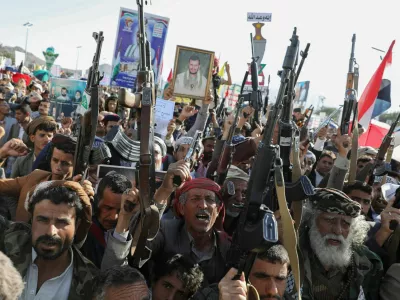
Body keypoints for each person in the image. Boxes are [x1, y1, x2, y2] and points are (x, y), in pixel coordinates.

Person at [102, 163, 230, 285]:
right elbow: (138, 248)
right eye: (195, 199)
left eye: (209, 199)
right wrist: (164, 190)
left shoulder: (227, 247)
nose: (203, 205)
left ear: (218, 210)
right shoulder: (166, 231)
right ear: (181, 208)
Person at [0, 181, 98, 299]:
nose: (51, 232)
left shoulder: (91, 282)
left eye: (61, 222)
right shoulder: (8, 242)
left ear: (76, 225)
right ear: (32, 220)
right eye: (43, 220)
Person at [288, 188, 383, 299]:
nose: (338, 231)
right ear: (310, 220)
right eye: (329, 220)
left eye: (345, 223)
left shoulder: (368, 263)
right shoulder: (290, 256)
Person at [193, 244, 290, 300]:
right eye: (262, 276)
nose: (273, 290)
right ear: (244, 275)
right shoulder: (212, 296)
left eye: (279, 279)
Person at [81, 172, 132, 268]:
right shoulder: (83, 227)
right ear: (97, 201)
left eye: (120, 210)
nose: (114, 217)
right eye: (108, 208)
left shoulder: (131, 227)